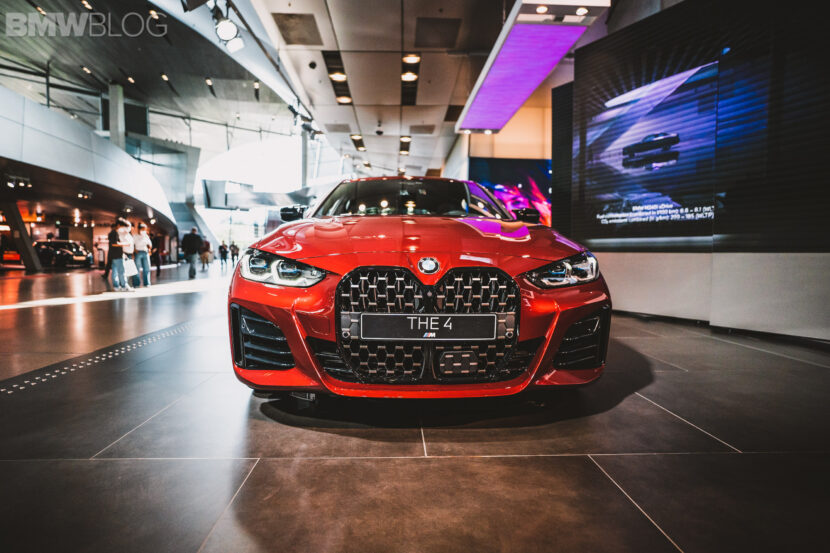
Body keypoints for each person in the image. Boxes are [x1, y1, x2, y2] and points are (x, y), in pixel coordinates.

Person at [110, 219, 129, 291]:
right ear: (119, 225)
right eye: (123, 227)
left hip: (114, 255)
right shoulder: (114, 233)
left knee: (115, 272)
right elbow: (114, 244)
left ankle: (116, 286)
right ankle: (124, 286)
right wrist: (125, 244)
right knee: (121, 271)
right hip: (117, 255)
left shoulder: (113, 233)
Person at [119, 220, 136, 291]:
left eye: (130, 227)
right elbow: (120, 243)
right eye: (128, 226)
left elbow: (131, 244)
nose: (129, 228)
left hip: (129, 254)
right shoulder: (121, 233)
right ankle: (124, 286)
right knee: (124, 271)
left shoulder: (129, 234)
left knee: (129, 271)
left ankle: (125, 285)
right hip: (124, 253)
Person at [133, 223, 152, 287]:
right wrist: (135, 250)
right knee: (137, 269)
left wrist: (149, 248)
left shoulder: (146, 236)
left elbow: (150, 244)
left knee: (147, 268)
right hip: (138, 253)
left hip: (145, 252)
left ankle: (147, 283)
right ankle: (136, 283)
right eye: (143, 229)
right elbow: (132, 245)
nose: (144, 231)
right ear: (139, 229)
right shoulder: (135, 236)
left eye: (145, 229)